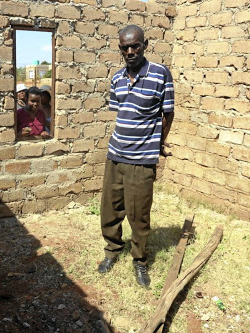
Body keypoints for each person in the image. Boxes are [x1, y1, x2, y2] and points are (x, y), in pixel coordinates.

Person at [97, 25, 174, 288]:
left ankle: (140, 261)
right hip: (116, 155)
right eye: (124, 48)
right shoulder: (117, 78)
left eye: (135, 46)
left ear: (145, 45)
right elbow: (123, 114)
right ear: (120, 49)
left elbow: (168, 113)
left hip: (142, 159)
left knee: (139, 215)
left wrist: (159, 142)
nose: (130, 51)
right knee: (110, 208)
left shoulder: (161, 74)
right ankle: (112, 250)